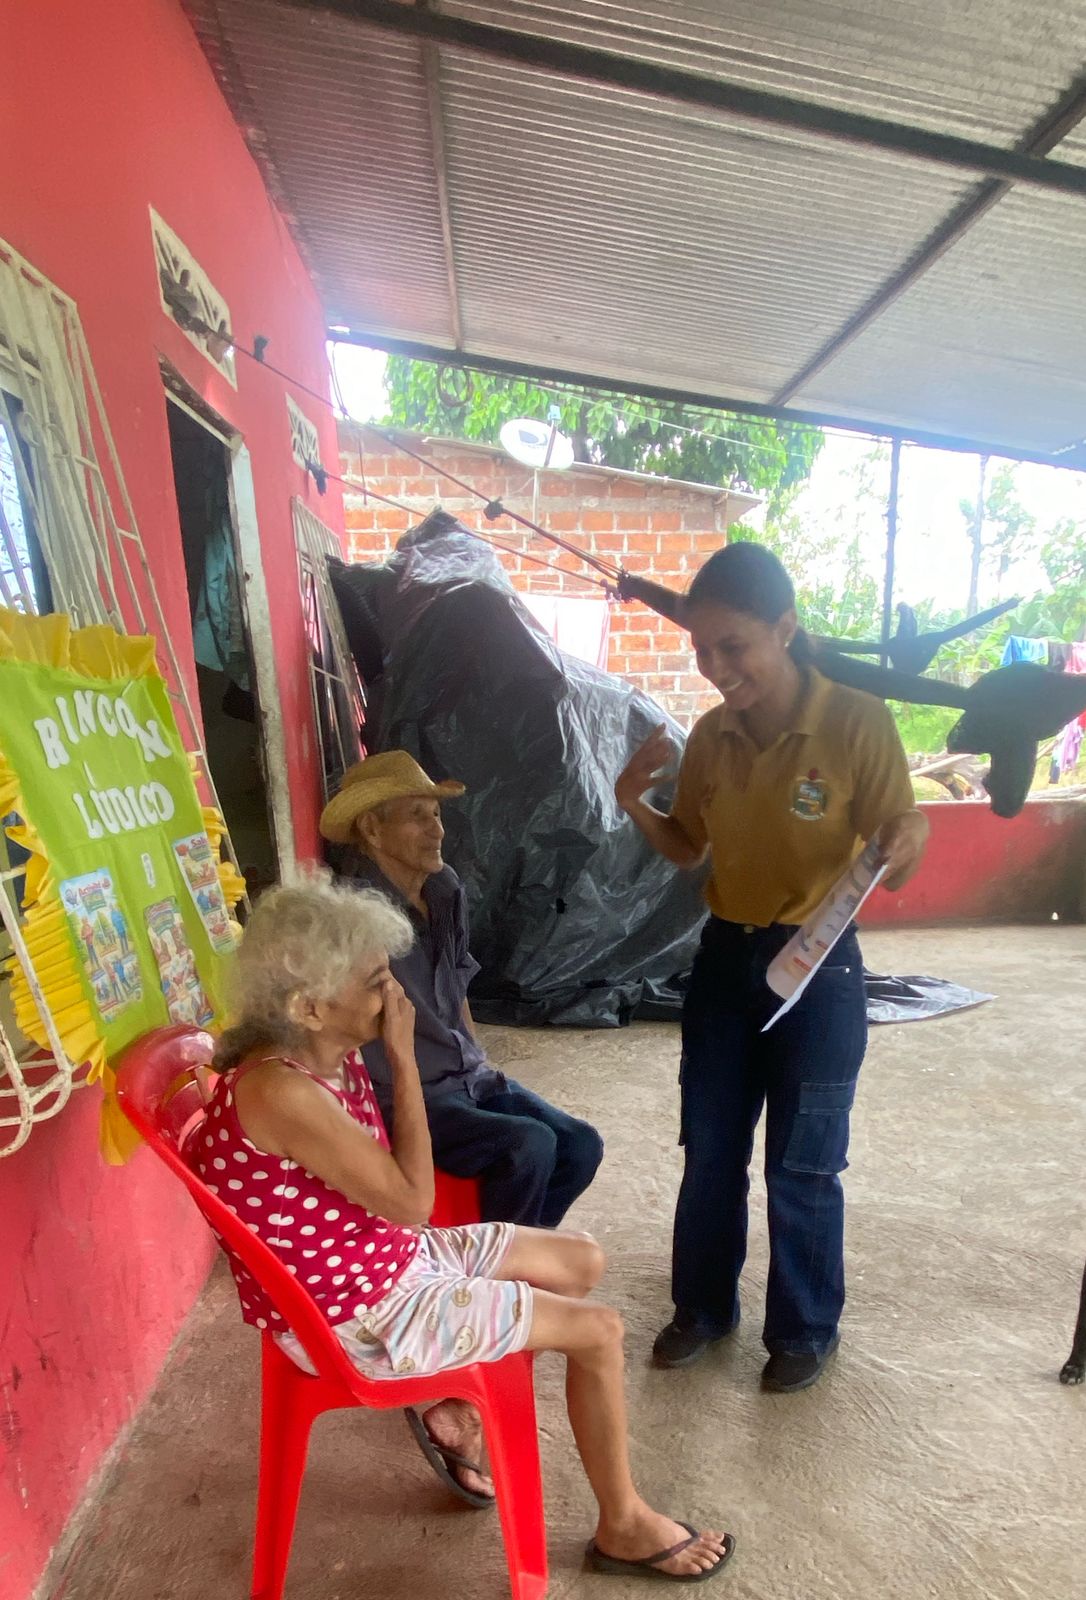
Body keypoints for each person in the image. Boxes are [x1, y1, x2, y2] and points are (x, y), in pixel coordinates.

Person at [191, 877, 735, 1583]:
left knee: (581, 1261)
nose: (397, 996)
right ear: (310, 1008)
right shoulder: (282, 1090)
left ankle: (464, 1402)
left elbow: (396, 1206)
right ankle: (623, 1525)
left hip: (384, 1259)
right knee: (599, 1330)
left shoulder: (319, 1052)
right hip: (357, 1315)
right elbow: (413, 1201)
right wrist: (404, 1056)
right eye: (377, 983)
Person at [615, 543, 928, 1393]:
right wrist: (633, 801)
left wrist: (909, 839)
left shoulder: (857, 723)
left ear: (785, 629)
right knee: (711, 1148)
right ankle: (702, 1309)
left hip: (819, 966)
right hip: (725, 962)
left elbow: (900, 843)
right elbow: (688, 846)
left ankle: (803, 1328)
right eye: (702, 648)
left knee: (804, 1159)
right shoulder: (711, 737)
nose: (716, 668)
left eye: (735, 646)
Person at [320, 751, 604, 1231]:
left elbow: (456, 982)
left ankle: (519, 1251)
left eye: (436, 814)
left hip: (467, 1074)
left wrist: (477, 1056)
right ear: (372, 829)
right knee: (528, 1146)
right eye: (417, 815)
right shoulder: (353, 914)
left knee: (581, 1145)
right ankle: (500, 1263)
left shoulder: (444, 888)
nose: (437, 830)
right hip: (405, 1092)